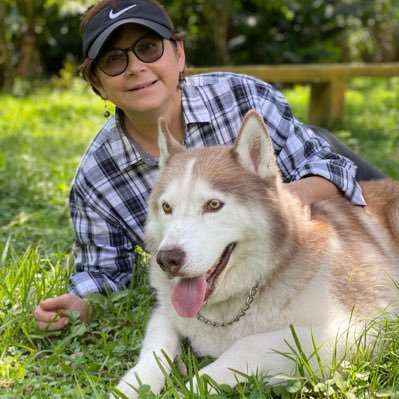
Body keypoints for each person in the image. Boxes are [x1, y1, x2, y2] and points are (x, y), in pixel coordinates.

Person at [33, 0, 383, 331]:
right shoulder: (96, 180)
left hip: (315, 213)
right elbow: (104, 272)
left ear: (179, 53)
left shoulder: (242, 96)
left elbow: (334, 168)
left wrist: (284, 198)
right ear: (98, 84)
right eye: (113, 59)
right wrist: (81, 303)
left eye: (149, 48)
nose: (136, 67)